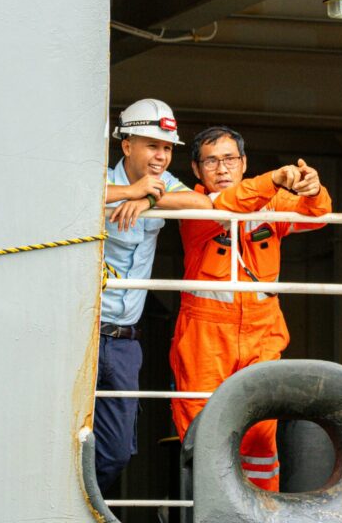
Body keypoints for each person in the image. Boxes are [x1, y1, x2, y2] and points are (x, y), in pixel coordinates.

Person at [169, 125, 332, 491]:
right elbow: (230, 205)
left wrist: (312, 187)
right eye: (211, 161)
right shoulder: (194, 205)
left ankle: (261, 513)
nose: (222, 169)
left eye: (229, 159)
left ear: (243, 163)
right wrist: (274, 179)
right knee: (203, 432)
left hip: (262, 333)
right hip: (205, 339)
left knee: (260, 438)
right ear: (196, 171)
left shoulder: (271, 205)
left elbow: (318, 215)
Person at [97, 99, 211, 491]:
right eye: (152, 145)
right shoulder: (95, 178)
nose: (161, 155)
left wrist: (146, 198)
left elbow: (203, 202)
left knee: (115, 451)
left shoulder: (164, 184)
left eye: (166, 148)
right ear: (127, 146)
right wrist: (127, 190)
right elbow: (67, 197)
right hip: (81, 332)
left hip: (125, 341)